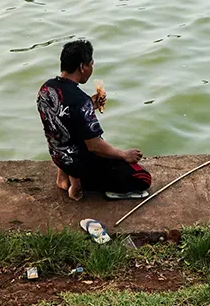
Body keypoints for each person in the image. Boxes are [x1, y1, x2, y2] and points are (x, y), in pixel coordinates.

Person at [36, 39, 152, 200]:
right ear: (83, 67)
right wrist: (124, 154)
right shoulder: (79, 100)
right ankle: (80, 183)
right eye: (91, 64)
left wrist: (90, 105)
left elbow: (62, 117)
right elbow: (95, 146)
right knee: (143, 178)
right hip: (77, 161)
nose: (92, 68)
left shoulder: (46, 88)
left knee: (62, 133)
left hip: (58, 155)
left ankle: (64, 177)